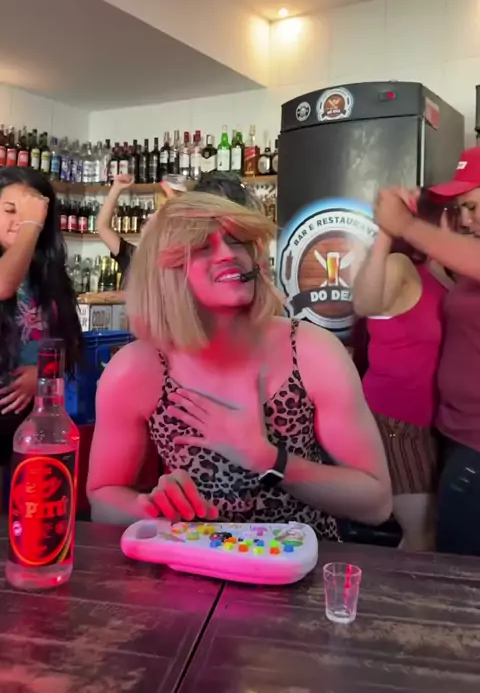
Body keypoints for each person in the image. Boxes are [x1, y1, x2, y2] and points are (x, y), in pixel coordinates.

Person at [87, 192, 392, 535]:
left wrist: (268, 459)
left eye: (237, 241)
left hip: (303, 559)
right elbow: (102, 497)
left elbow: (376, 503)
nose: (228, 254)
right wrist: (149, 510)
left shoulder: (311, 351)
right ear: (164, 273)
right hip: (192, 559)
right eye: (203, 246)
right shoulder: (136, 369)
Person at [374, 147, 480, 555]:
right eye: (459, 209)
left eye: (473, 206)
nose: (465, 219)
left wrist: (403, 224)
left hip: (475, 445)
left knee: (456, 569)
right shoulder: (462, 264)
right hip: (452, 433)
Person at [353, 191, 452, 551]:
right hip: (397, 423)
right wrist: (386, 231)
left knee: (426, 533)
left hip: (431, 425)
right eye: (456, 213)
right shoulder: (401, 266)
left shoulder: (444, 274)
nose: (464, 222)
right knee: (422, 533)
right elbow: (364, 303)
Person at [0, 166, 82, 472]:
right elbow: (3, 286)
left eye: (31, 214)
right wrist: (30, 223)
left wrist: (43, 373)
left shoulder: (48, 272)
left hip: (34, 419)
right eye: (10, 210)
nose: (19, 221)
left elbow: (71, 342)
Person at [97, 170, 260, 286]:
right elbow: (102, 227)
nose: (150, 218)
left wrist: (177, 204)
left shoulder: (183, 265)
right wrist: (116, 188)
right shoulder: (134, 258)